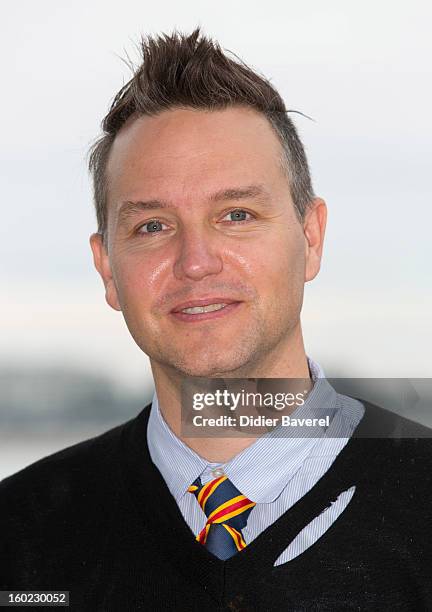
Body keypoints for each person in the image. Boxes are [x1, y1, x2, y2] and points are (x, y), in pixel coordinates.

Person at [1, 28, 431, 611]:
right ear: (107, 268)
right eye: (151, 226)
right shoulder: (20, 536)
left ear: (311, 236)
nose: (196, 262)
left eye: (236, 213)